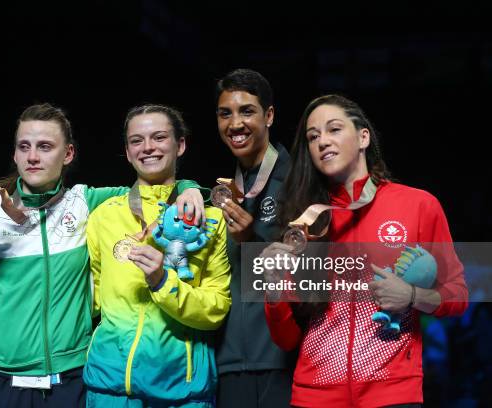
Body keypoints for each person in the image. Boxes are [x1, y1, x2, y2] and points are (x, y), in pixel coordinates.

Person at [0, 103, 205, 407]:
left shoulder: (89, 203)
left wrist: (189, 188)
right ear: (15, 155)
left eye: (45, 146)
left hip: (69, 384)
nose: (33, 156)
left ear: (68, 153)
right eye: (25, 147)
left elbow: (154, 189)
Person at [263, 95, 468, 407]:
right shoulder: (304, 222)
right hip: (314, 395)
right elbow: (286, 338)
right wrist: (274, 287)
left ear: (363, 137)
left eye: (333, 129)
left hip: (392, 392)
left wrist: (412, 295)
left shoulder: (418, 205)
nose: (322, 142)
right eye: (313, 136)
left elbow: (458, 295)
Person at [83, 104, 231, 407]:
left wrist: (164, 282)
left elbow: (217, 309)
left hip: (183, 389)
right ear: (127, 151)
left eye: (159, 137)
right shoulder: (104, 216)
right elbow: (90, 299)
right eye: (137, 140)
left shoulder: (210, 217)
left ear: (181, 145)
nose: (148, 147)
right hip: (110, 387)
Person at [213, 68, 296, 408]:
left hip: (282, 362)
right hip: (230, 364)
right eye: (225, 114)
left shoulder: (298, 182)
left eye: (247, 111)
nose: (235, 124)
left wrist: (250, 241)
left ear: (269, 115)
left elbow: (315, 271)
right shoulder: (225, 191)